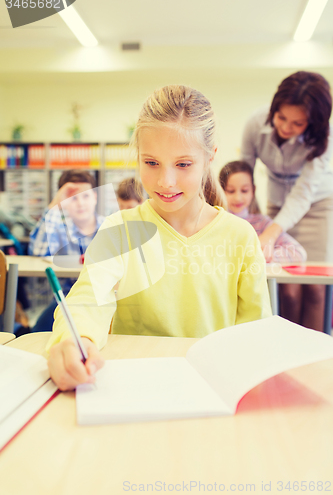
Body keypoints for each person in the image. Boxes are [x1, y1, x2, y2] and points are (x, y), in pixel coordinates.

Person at [46, 85, 272, 391]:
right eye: (151, 163)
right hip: (133, 385)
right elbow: (88, 299)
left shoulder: (239, 236)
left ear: (209, 158)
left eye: (183, 164)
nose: (165, 182)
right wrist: (75, 341)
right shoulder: (120, 229)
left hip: (213, 386)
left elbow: (255, 333)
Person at [241, 71, 333, 331]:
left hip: (318, 206)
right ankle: (285, 348)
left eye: (297, 124)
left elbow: (303, 193)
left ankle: (314, 359)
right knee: (285, 287)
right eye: (281, 117)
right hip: (276, 204)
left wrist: (270, 233)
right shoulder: (255, 123)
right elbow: (243, 174)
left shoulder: (324, 138)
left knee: (315, 288)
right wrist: (249, 218)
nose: (285, 127)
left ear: (313, 123)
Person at [29, 169, 105, 332]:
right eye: (73, 198)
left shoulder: (110, 226)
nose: (80, 203)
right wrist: (55, 206)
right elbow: (37, 253)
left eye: (86, 195)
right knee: (41, 329)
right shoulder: (58, 228)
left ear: (95, 197)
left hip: (105, 299)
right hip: (64, 300)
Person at [219, 161, 307, 263]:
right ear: (220, 190)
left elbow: (299, 253)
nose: (238, 198)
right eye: (230, 191)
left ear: (253, 190)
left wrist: (263, 256)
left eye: (244, 190)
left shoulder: (262, 223)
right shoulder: (215, 221)